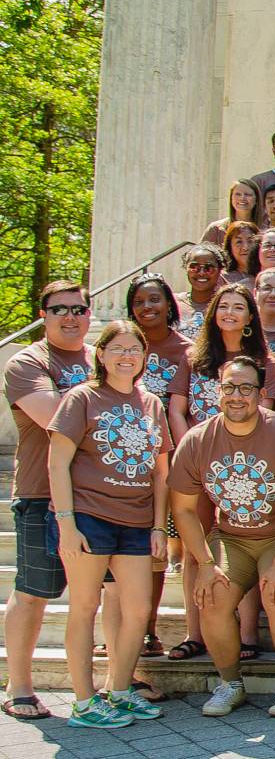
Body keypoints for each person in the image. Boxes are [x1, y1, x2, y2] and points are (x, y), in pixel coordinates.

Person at [166, 356, 275, 719]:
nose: (237, 396)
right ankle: (230, 683)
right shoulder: (198, 439)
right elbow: (183, 509)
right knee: (212, 595)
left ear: (261, 393)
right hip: (231, 536)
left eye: (246, 388)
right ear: (218, 391)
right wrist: (202, 563)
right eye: (230, 387)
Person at [46, 321, 169, 728]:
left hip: (135, 521)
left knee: (137, 610)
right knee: (84, 608)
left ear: (144, 357)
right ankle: (84, 701)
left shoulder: (151, 402)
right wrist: (66, 523)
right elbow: (57, 462)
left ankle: (119, 690)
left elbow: (159, 472)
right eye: (117, 348)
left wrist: (157, 527)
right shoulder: (82, 398)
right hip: (88, 516)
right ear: (101, 354)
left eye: (134, 349)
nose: (126, 356)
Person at [3, 282, 94, 721]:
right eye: (60, 309)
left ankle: (112, 681)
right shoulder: (27, 362)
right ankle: (19, 682)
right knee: (33, 591)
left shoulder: (99, 357)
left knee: (100, 596)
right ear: (44, 314)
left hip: (102, 497)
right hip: (42, 495)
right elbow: (58, 422)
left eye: (79, 308)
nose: (71, 316)